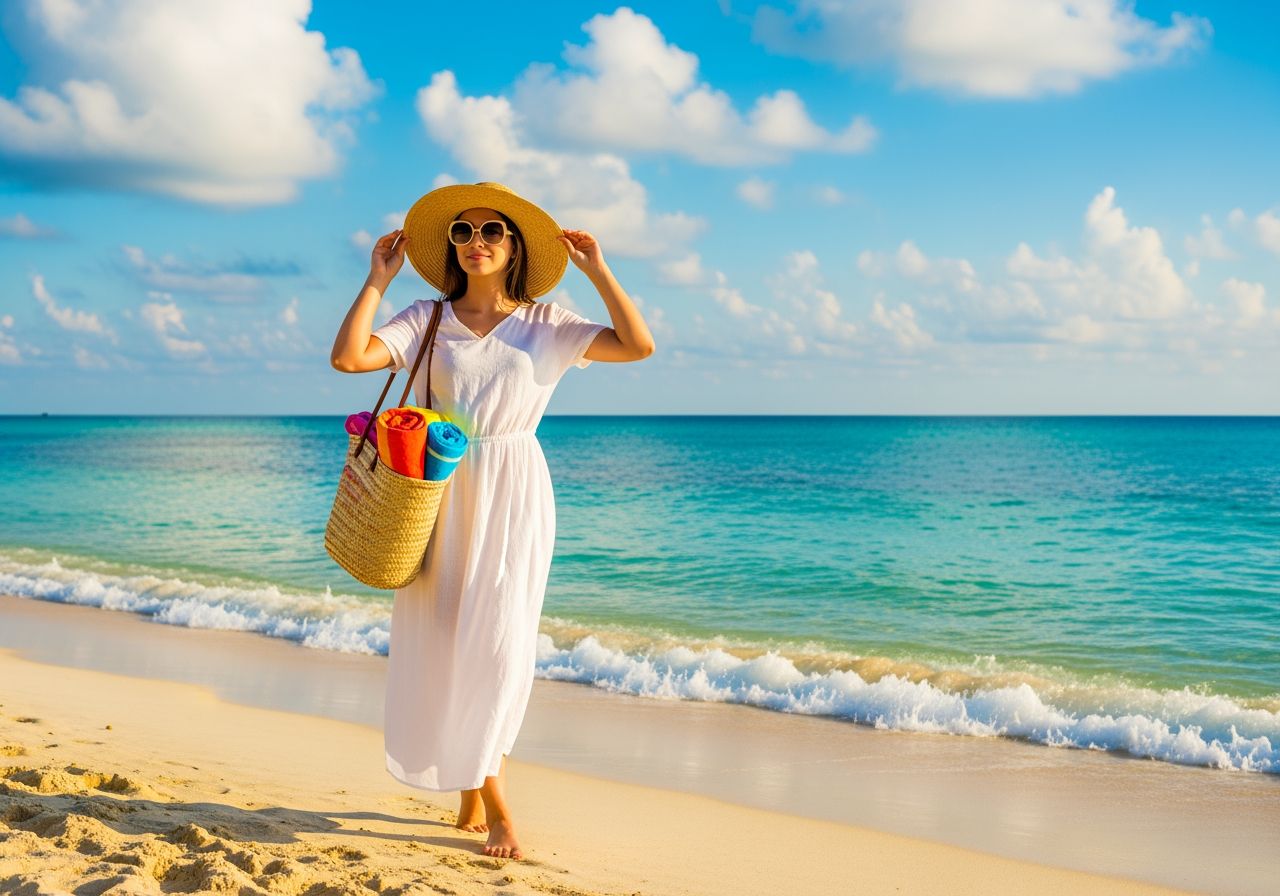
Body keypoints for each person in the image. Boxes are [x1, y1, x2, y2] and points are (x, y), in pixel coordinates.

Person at [329, 182, 655, 860]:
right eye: (462, 232)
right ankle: (484, 792)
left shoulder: (548, 324)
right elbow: (349, 358)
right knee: (448, 640)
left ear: (514, 249)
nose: (476, 241)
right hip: (437, 492)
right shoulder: (424, 317)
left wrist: (599, 272)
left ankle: (485, 792)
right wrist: (375, 281)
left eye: (491, 232)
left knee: (501, 648)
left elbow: (638, 346)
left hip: (514, 493)